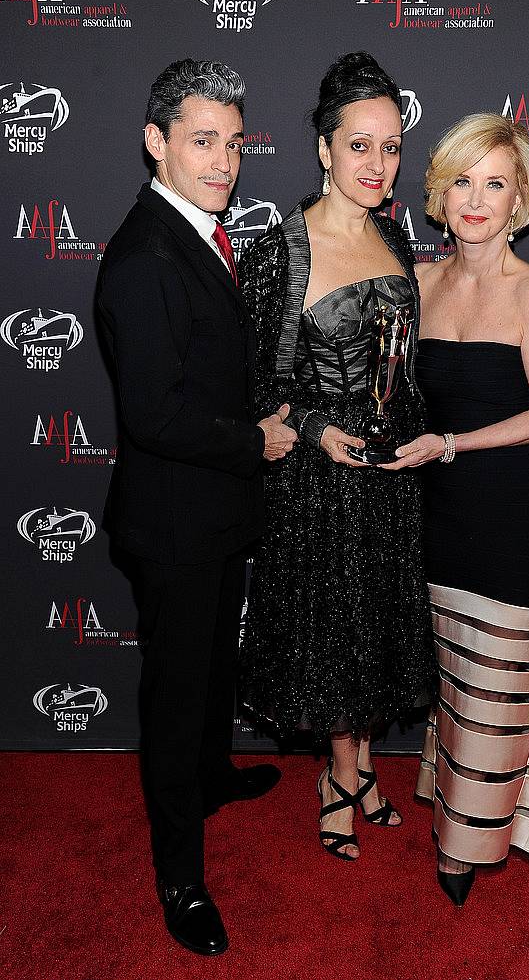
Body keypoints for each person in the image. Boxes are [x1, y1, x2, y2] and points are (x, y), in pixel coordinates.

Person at [96, 59, 297, 955]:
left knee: (215, 666)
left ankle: (212, 775)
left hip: (214, 509)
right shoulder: (145, 253)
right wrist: (256, 440)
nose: (223, 162)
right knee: (177, 698)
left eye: (234, 143)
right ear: (157, 143)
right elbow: (155, 413)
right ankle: (180, 877)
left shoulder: (200, 232)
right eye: (202, 141)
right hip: (176, 521)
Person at [239, 52, 435, 862]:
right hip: (319, 480)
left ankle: (351, 767)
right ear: (323, 148)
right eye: (360, 146)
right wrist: (316, 425)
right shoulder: (281, 252)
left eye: (391, 147)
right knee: (333, 632)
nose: (378, 165)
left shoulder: (394, 233)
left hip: (389, 474)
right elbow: (253, 385)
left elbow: (404, 360)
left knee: (373, 628)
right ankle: (340, 775)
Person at [383, 113, 529, 906]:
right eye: (462, 180)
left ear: (519, 198)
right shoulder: (419, 283)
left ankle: (466, 846)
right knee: (455, 681)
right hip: (434, 515)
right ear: (439, 191)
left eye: (494, 183)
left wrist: (450, 445)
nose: (475, 198)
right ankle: (454, 808)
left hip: (514, 517)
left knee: (498, 690)